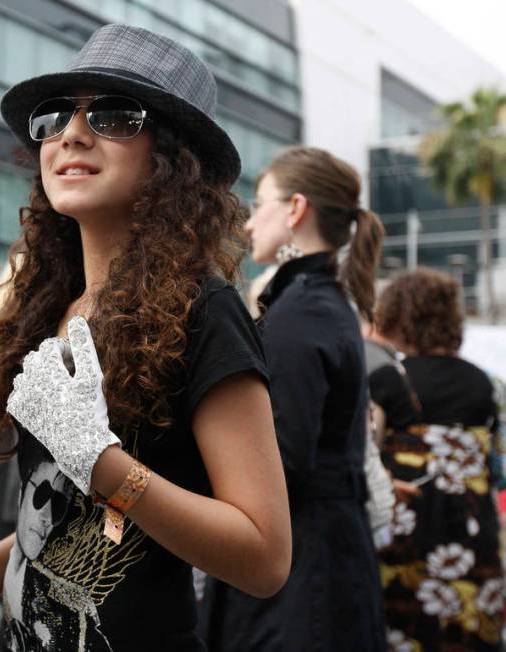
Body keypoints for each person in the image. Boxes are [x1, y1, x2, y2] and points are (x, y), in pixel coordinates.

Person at [0, 24, 292, 651]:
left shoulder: (205, 310)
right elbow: (65, 520)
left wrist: (104, 463)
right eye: (56, 117)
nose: (72, 134)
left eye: (114, 115)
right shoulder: (47, 306)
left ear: (173, 156)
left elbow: (265, 557)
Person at [205, 147, 388, 650]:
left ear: (295, 209)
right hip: (320, 563)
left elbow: (280, 462)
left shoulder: (302, 310)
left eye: (260, 203)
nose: (247, 224)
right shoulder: (321, 301)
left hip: (298, 580)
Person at [370, 268, 503, 650]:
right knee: (470, 631)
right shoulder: (488, 384)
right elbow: (499, 468)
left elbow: (367, 457)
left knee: (407, 632)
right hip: (473, 530)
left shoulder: (388, 380)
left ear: (399, 317)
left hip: (406, 532)